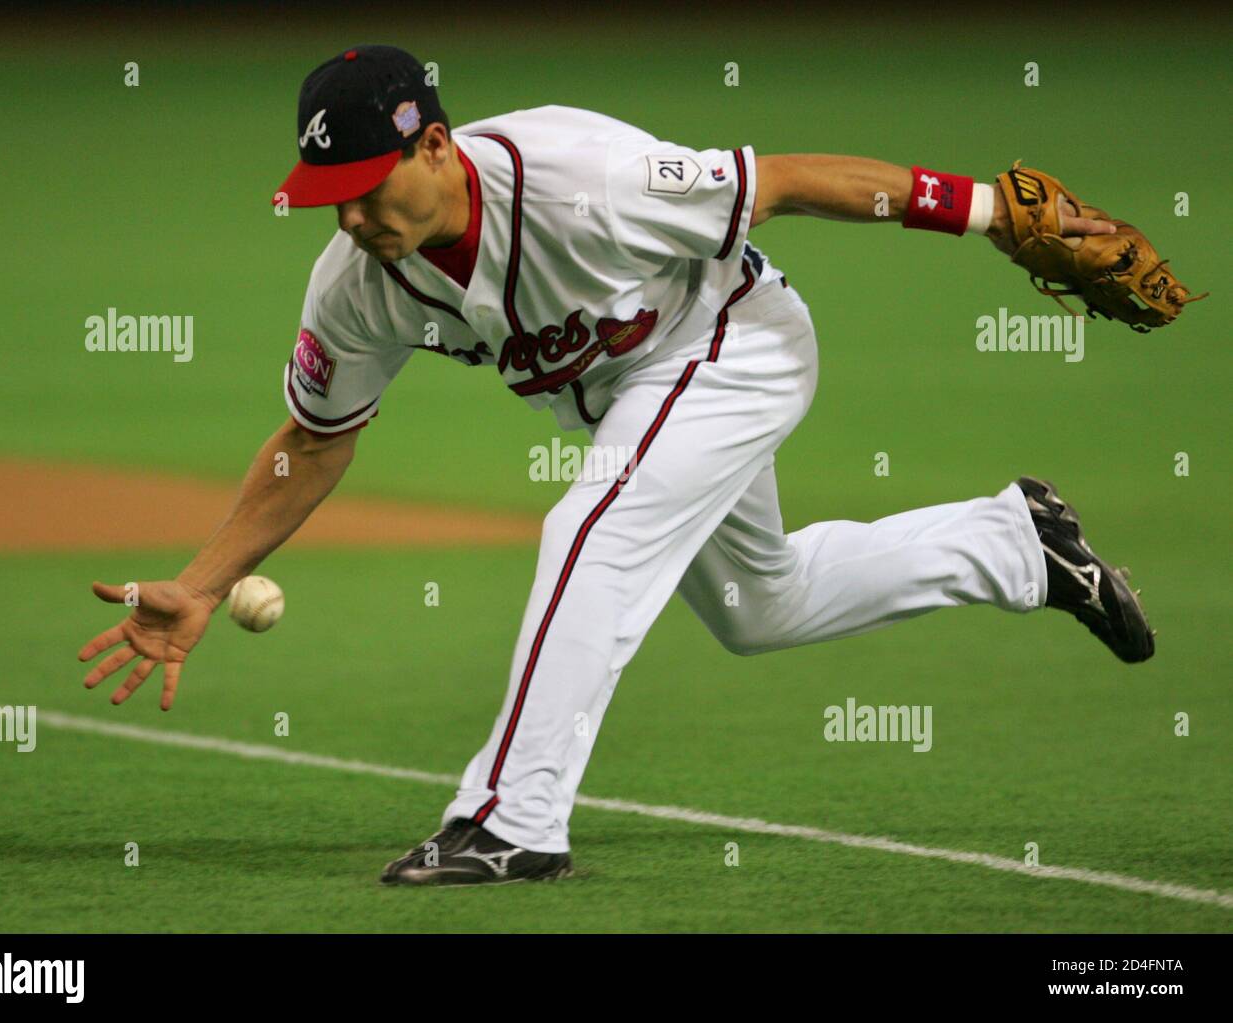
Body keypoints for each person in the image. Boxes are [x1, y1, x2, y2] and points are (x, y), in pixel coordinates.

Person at [79, 45, 1153, 887]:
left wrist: (979, 211)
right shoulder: (356, 284)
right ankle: (1017, 544)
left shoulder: (583, 180)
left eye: (367, 187)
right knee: (758, 605)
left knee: (588, 530)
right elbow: (315, 438)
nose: (353, 218)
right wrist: (204, 579)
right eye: (331, 197)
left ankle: (509, 823)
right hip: (633, 397)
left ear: (436, 146)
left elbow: (779, 181)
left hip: (732, 345)